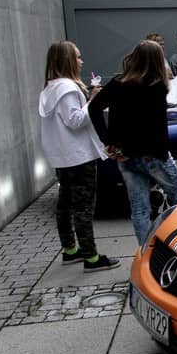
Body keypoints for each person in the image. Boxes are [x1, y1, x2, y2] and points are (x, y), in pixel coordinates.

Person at [88, 40, 177, 245]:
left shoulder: (118, 83)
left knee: (139, 208)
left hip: (124, 154)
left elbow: (94, 108)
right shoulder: (156, 87)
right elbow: (156, 126)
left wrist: (107, 140)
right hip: (152, 153)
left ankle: (145, 251)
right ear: (157, 61)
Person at [38, 42, 120, 272]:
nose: (81, 61)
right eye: (77, 57)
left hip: (63, 156)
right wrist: (93, 100)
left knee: (65, 204)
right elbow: (75, 121)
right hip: (79, 156)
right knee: (83, 207)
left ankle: (70, 249)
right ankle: (91, 257)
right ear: (67, 60)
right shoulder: (68, 89)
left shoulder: (50, 88)